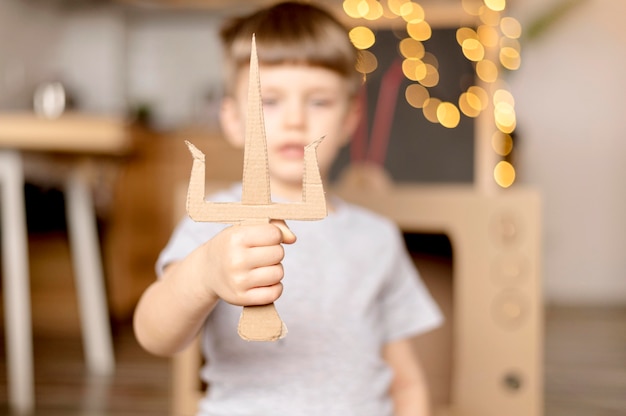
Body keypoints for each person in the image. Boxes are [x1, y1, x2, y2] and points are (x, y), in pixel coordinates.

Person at [133, 2, 443, 415]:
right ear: (232, 119)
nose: (295, 119)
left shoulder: (377, 238)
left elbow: (405, 381)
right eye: (270, 101)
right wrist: (205, 272)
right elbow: (154, 334)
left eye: (318, 102)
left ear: (351, 117)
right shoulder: (211, 231)